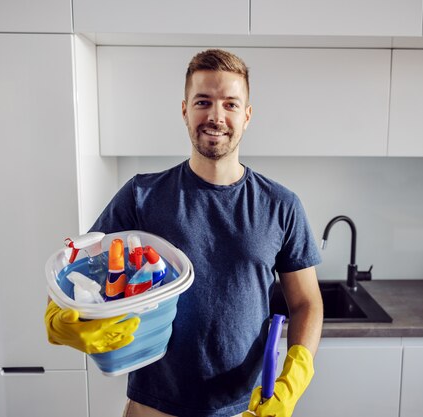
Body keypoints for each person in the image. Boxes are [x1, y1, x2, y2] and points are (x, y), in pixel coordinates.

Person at [45, 49, 323, 417]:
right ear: (184, 110)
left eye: (230, 104)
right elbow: (78, 269)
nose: (216, 116)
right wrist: (63, 314)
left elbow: (306, 302)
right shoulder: (141, 196)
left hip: (244, 408)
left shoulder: (281, 205)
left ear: (247, 115)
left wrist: (295, 377)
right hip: (152, 407)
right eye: (203, 102)